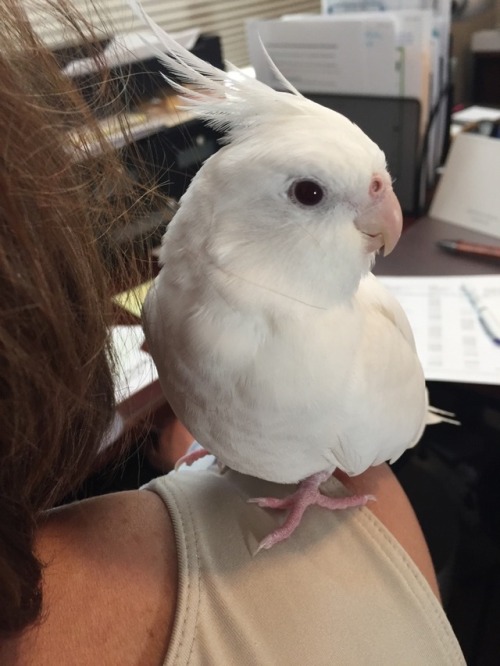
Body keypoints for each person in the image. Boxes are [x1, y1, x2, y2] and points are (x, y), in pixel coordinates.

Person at [0, 1, 465, 663]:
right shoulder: (163, 305)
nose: (383, 214)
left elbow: (366, 462)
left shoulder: (357, 347)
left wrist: (310, 482)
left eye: (377, 188)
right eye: (308, 194)